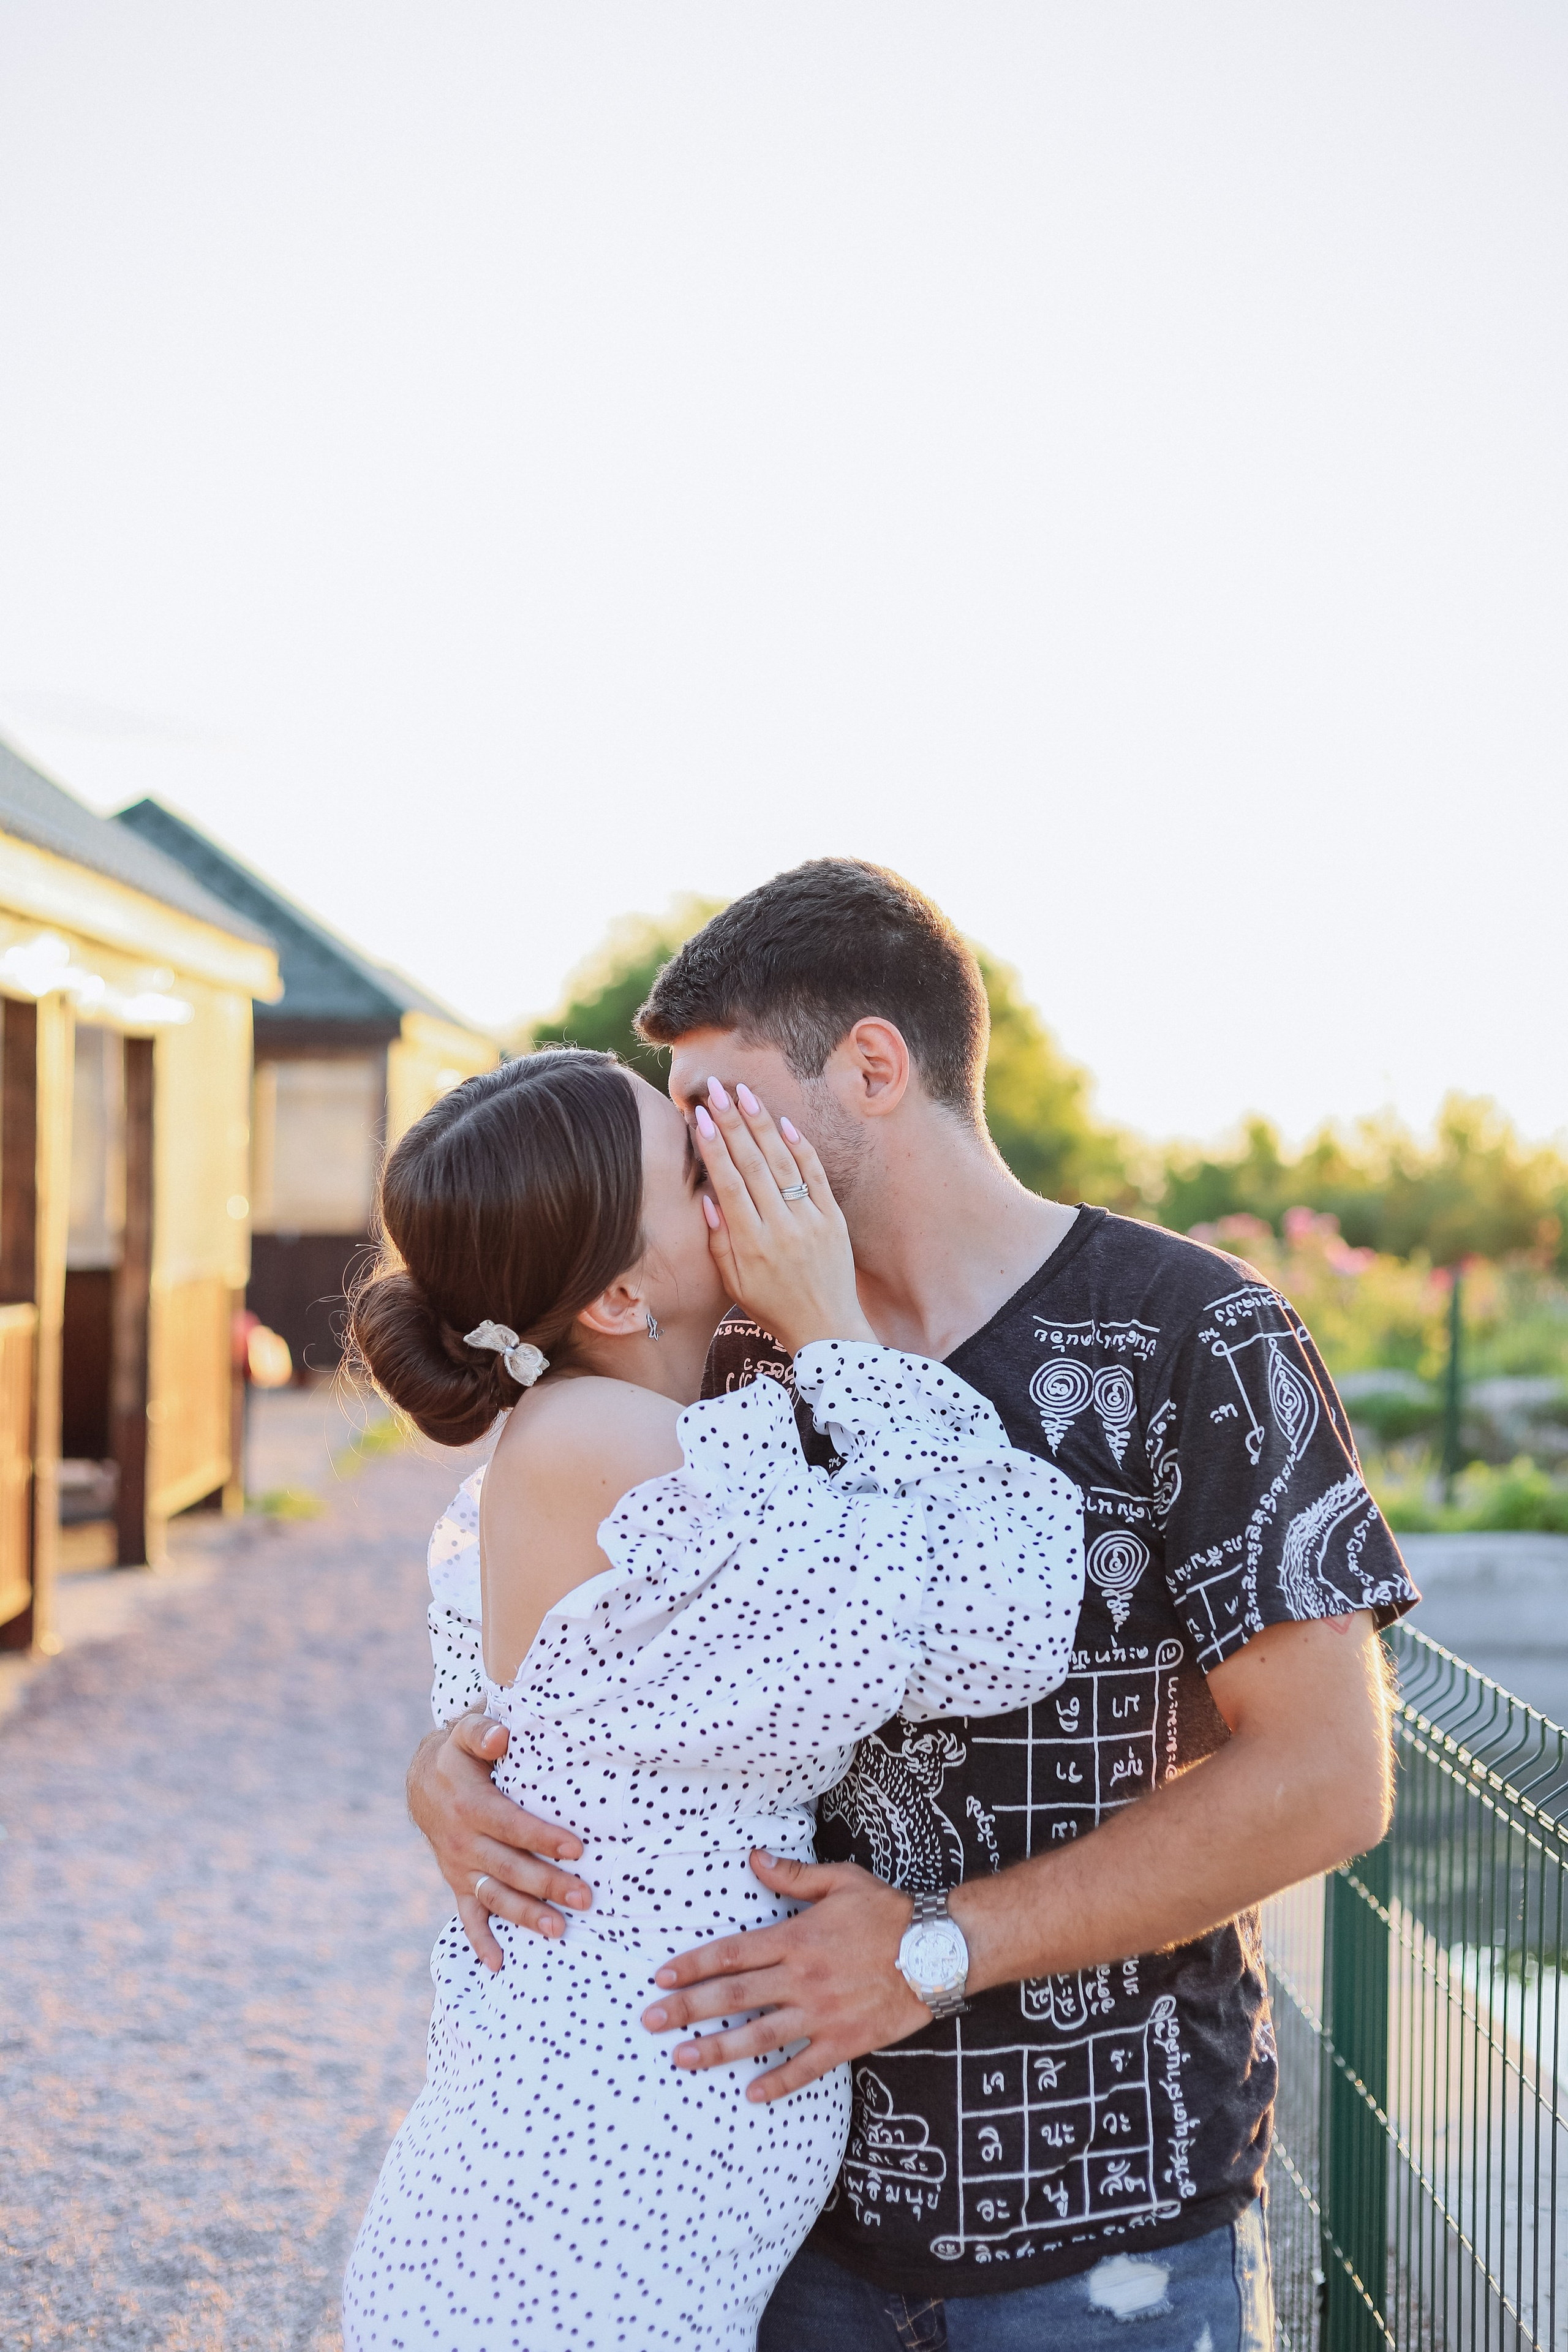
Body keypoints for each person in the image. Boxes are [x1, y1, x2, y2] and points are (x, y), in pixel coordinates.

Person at [410, 859, 1419, 2352]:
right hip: (765, 2234)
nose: (698, 1169)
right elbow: (562, 1635)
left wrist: (929, 1949)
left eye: (715, 1113)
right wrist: (454, 1765)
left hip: (1097, 2231)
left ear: (871, 1067)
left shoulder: (1190, 1336)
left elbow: (1326, 1784)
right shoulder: (716, 1359)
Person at [339, 1045, 1085, 2351]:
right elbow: (1002, 1616)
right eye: (697, 1161)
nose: (746, 1169)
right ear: (625, 1290)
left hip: (593, 2221)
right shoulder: (605, 1446)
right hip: (563, 2245)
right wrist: (835, 1327)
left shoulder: (627, 1433)